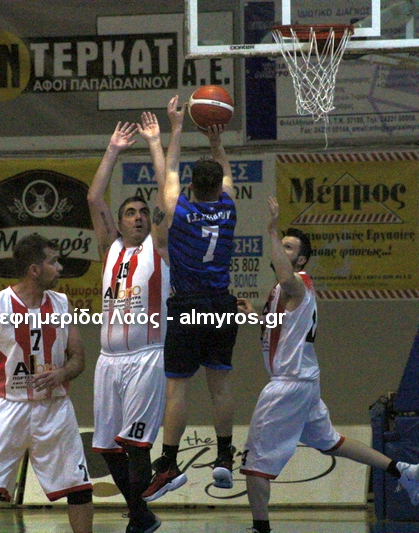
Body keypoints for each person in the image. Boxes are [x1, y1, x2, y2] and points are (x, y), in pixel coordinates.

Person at [237, 197, 419, 533]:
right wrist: (254, 316)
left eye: (288, 247)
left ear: (301, 259)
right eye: (281, 245)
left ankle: (260, 528)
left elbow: (286, 276)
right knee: (331, 442)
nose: (281, 250)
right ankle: (402, 470)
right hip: (303, 383)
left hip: (288, 385)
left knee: (255, 465)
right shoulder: (278, 292)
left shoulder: (298, 283)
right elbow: (280, 329)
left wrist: (271, 231)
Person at [142, 95, 239, 502]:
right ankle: (224, 457)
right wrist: (217, 142)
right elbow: (227, 175)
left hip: (188, 305)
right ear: (218, 186)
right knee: (220, 385)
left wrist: (177, 128)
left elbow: (169, 173)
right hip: (222, 304)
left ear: (192, 187)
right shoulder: (229, 208)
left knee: (177, 389)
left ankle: (168, 463)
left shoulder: (178, 211)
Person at [0, 234, 93, 533]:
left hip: (55, 408)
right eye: (54, 262)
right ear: (35, 269)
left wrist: (61, 374)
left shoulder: (62, 304)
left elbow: (78, 358)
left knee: (80, 488)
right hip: (8, 407)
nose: (60, 268)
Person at [86, 116, 169, 533]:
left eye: (142, 213)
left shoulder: (158, 247)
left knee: (136, 444)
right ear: (119, 223)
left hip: (145, 358)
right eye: (130, 213)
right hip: (108, 361)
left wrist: (155, 143)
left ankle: (138, 520)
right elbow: (93, 196)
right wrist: (114, 149)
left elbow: (166, 196)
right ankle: (142, 513)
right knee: (106, 448)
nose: (138, 217)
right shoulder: (111, 248)